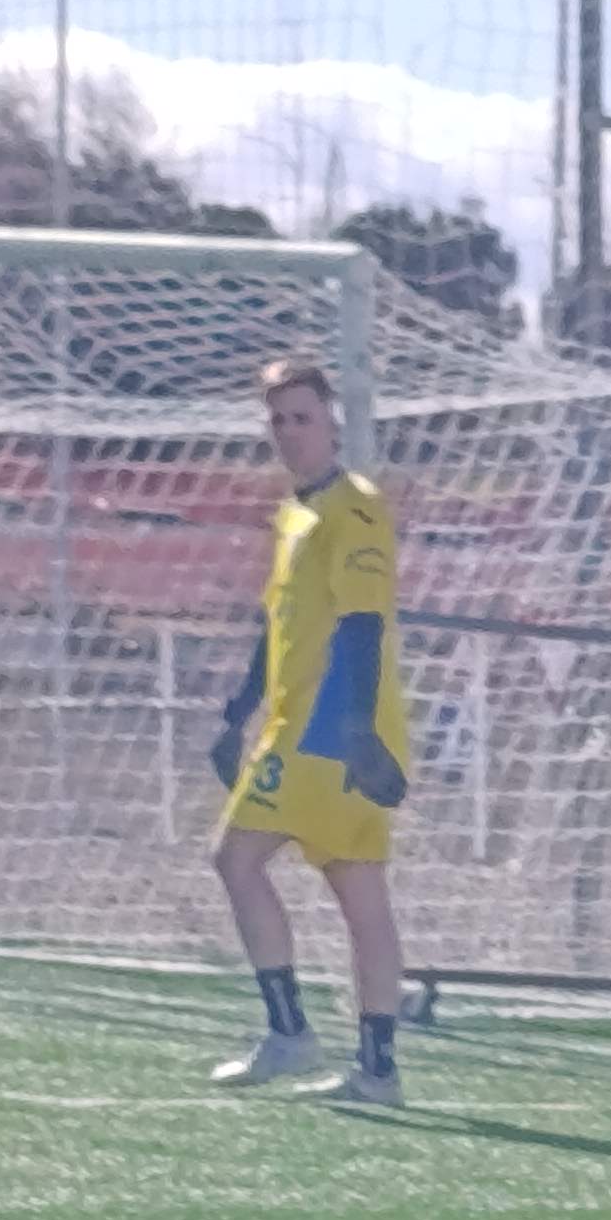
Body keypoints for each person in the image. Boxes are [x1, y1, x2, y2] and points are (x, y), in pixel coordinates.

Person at [205, 354, 416, 1103]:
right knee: (358, 894)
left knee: (236, 859)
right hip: (306, 726)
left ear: (332, 422)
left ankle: (291, 1032)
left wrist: (355, 732)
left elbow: (361, 623)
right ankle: (377, 1071)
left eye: (303, 417)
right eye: (279, 420)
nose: (290, 432)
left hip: (332, 728)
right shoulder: (296, 513)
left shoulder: (353, 509)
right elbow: (281, 625)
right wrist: (238, 713)